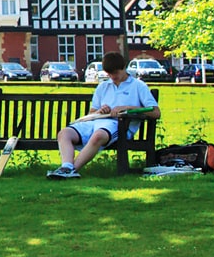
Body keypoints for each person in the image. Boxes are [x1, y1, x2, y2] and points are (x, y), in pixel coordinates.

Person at [47, 52, 160, 180]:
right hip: (96, 122)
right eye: (109, 74)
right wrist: (100, 111)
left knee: (98, 136)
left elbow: (155, 112)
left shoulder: (138, 86)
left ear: (124, 68)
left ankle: (72, 170)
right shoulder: (103, 87)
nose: (112, 77)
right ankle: (66, 167)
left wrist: (127, 108)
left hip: (120, 126)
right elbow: (91, 114)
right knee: (64, 134)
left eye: (115, 73)